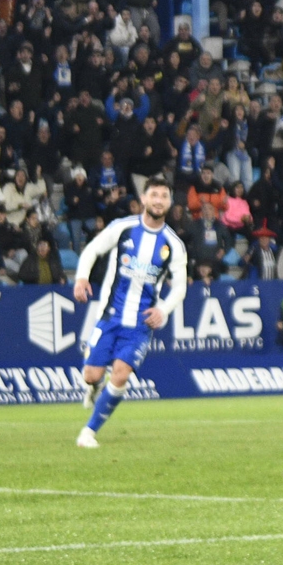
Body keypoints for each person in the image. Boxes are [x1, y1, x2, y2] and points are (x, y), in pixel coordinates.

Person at [71, 178, 188, 449]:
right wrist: (81, 278)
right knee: (91, 375)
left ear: (169, 203)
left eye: (164, 196)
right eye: (154, 195)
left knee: (121, 375)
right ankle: (92, 388)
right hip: (110, 316)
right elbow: (92, 250)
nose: (159, 200)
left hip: (140, 323)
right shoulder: (123, 228)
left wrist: (163, 309)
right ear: (144, 199)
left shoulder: (173, 244)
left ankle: (88, 432)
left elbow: (180, 287)